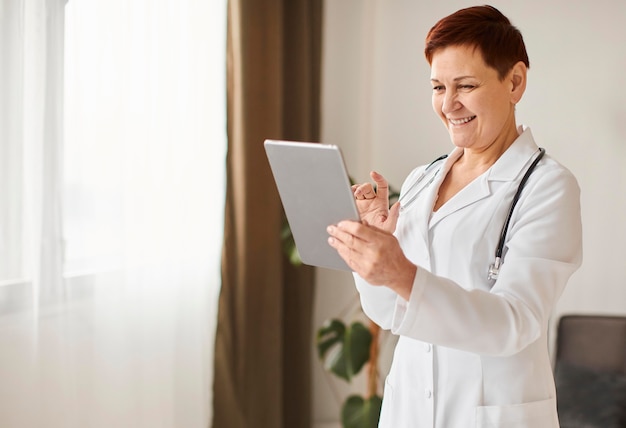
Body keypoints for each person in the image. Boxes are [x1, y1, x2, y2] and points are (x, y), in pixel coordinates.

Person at [326, 5, 582, 428]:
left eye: (465, 85)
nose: (448, 104)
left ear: (514, 81)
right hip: (408, 411)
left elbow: (515, 322)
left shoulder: (547, 187)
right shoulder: (422, 180)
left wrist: (402, 273)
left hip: (490, 415)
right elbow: (389, 314)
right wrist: (375, 253)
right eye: (438, 87)